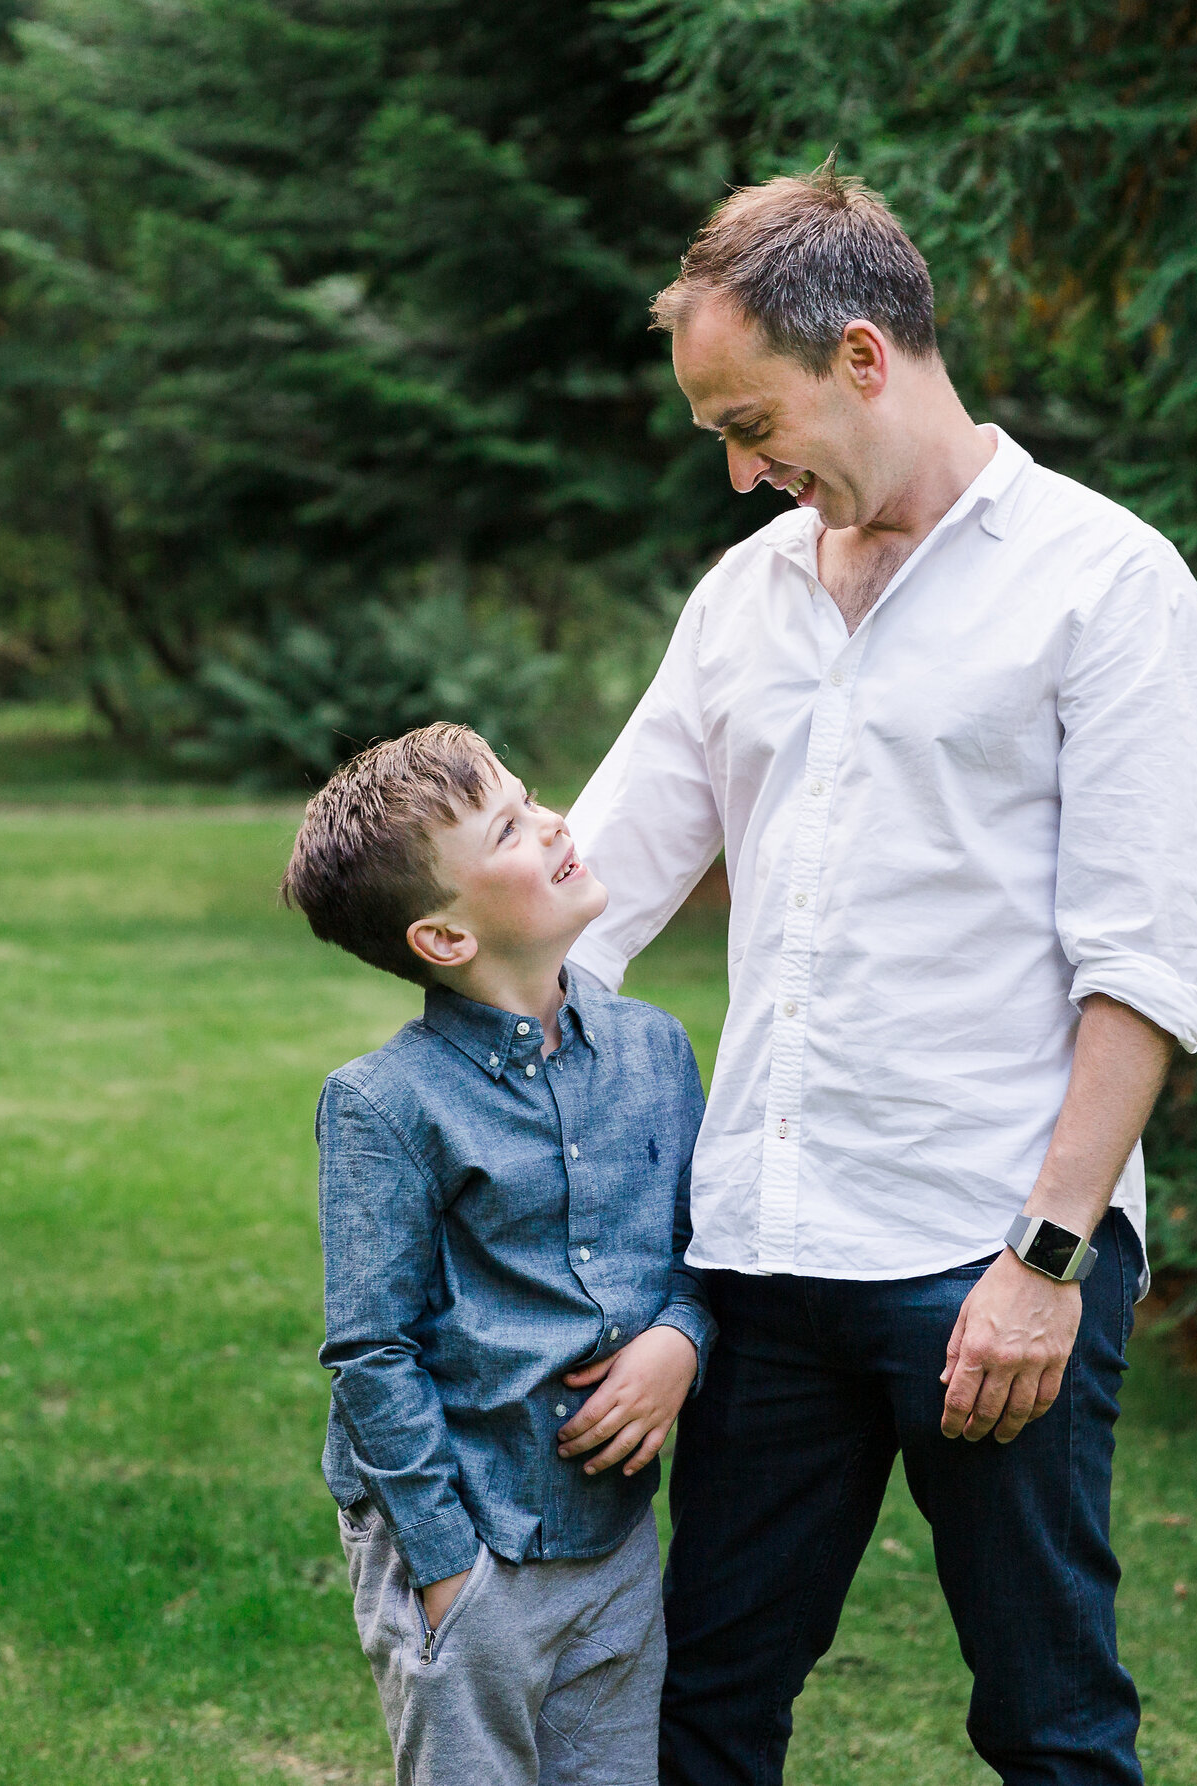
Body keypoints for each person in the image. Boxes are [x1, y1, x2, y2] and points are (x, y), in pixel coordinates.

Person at [563, 163, 1197, 1785]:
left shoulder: (1109, 587)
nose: (736, 473)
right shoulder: (745, 599)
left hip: (985, 1256)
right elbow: (596, 891)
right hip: (761, 1253)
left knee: (1050, 1718)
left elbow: (1142, 965)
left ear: (864, 356)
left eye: (748, 420)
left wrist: (1047, 1258)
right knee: (703, 1705)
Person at [282, 722, 715, 1786]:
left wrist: (681, 1334)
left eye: (531, 797)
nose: (557, 821)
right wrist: (444, 1569)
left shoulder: (655, 1050)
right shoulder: (384, 1105)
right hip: (468, 1537)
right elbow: (371, 1352)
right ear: (443, 937)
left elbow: (702, 1246)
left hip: (611, 1538)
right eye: (511, 828)